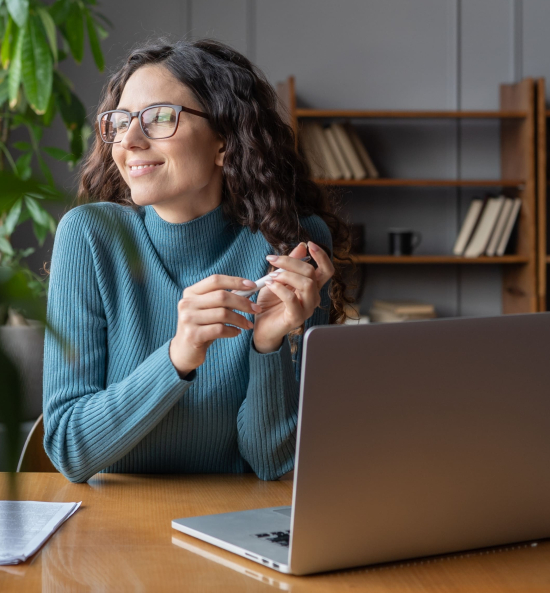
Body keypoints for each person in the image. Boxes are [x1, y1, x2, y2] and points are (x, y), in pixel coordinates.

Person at [42, 38, 351, 482]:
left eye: (160, 118)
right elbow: (70, 448)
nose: (129, 140)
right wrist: (178, 355)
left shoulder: (293, 246)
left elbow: (273, 461)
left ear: (224, 141)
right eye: (120, 121)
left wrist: (268, 345)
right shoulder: (89, 237)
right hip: (112, 525)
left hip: (233, 523)